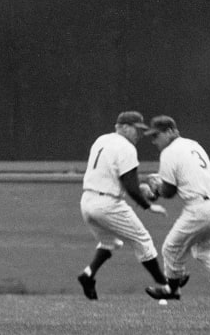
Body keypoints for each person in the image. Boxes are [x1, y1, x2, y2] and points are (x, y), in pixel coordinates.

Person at [141, 115, 210, 301]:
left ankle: (173, 289)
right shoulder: (192, 144)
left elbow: (169, 192)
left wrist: (155, 189)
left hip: (201, 207)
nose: (154, 141)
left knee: (170, 248)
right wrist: (159, 188)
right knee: (203, 250)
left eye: (156, 135)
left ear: (170, 132)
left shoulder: (168, 153)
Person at [77, 111, 172, 300]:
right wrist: (148, 205)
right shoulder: (127, 147)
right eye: (136, 129)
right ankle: (166, 286)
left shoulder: (101, 140)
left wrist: (140, 187)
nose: (139, 134)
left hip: (87, 201)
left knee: (110, 242)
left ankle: (88, 275)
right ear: (125, 128)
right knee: (143, 241)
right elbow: (130, 186)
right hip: (107, 204)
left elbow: (114, 175)